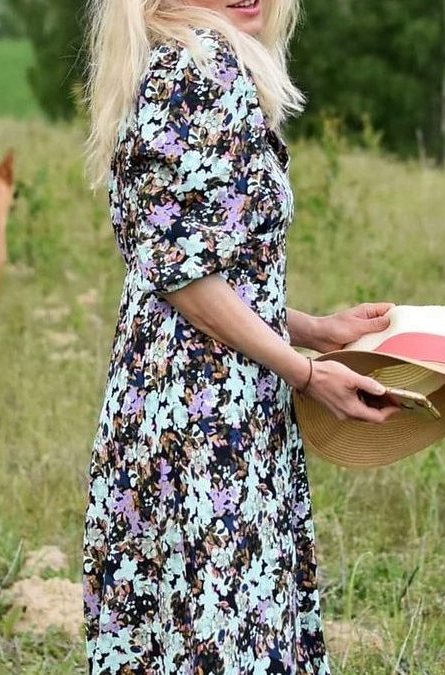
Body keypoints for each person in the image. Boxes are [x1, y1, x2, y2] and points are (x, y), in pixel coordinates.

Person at [81, 1, 400, 672]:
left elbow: (204, 273)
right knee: (221, 637)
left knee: (195, 634)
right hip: (204, 417)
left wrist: (315, 328)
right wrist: (308, 373)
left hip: (187, 397)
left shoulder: (173, 67)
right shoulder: (200, 70)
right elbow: (185, 282)